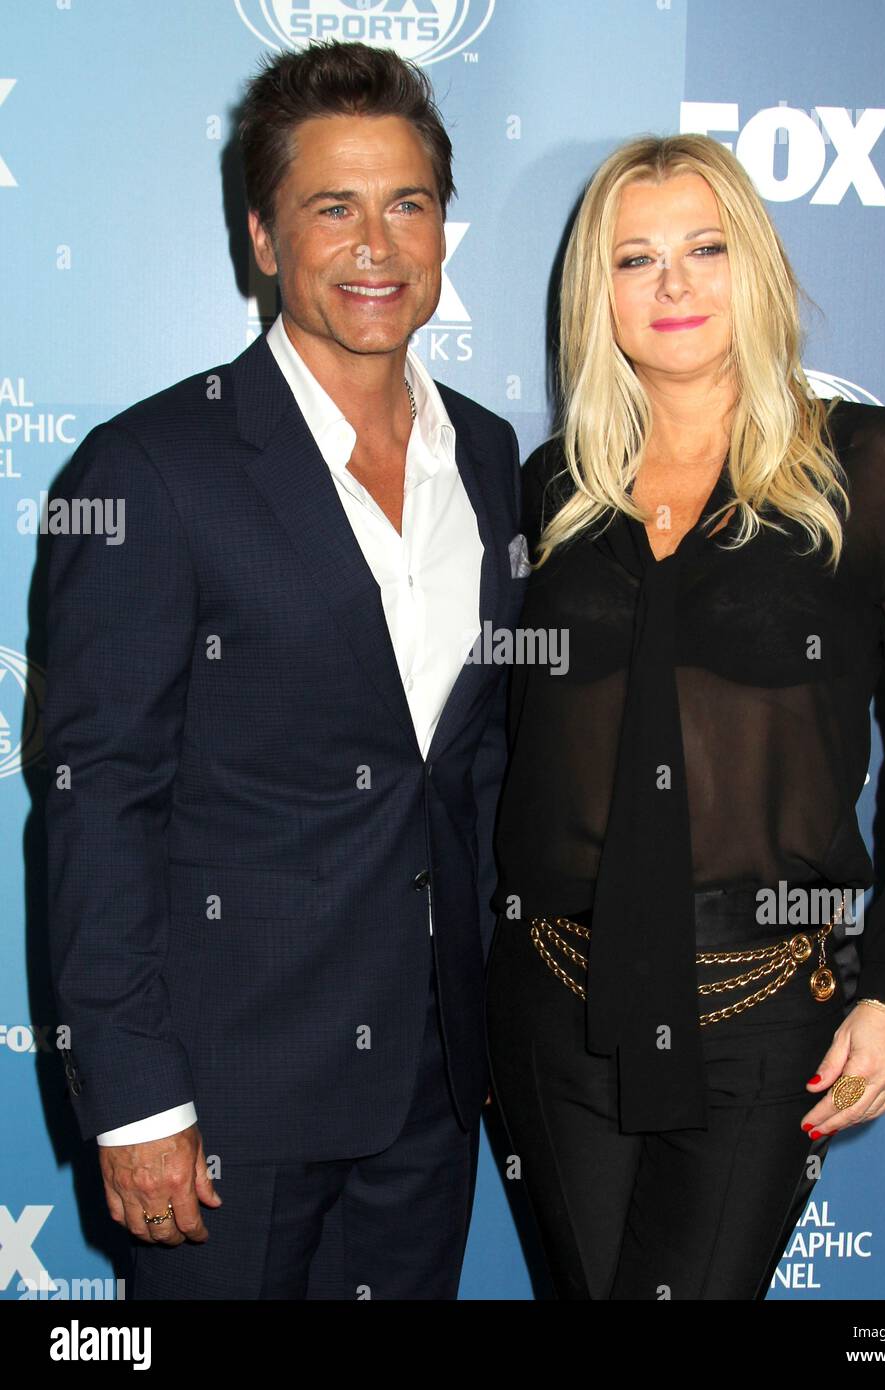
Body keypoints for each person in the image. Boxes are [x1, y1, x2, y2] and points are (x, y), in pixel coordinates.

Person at [44, 40, 526, 1300]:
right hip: (226, 1100)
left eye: (407, 204)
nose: (377, 244)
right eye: (333, 207)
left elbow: (470, 767)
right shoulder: (151, 467)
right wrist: (137, 1097)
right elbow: (100, 802)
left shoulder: (485, 454)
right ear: (262, 239)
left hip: (427, 1083)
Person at [484, 133, 885, 1301]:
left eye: (704, 248)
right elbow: (504, 749)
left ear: (754, 266)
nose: (672, 284)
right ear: (591, 294)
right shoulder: (553, 487)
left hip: (762, 1006)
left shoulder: (871, 464)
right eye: (633, 258)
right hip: (551, 1003)